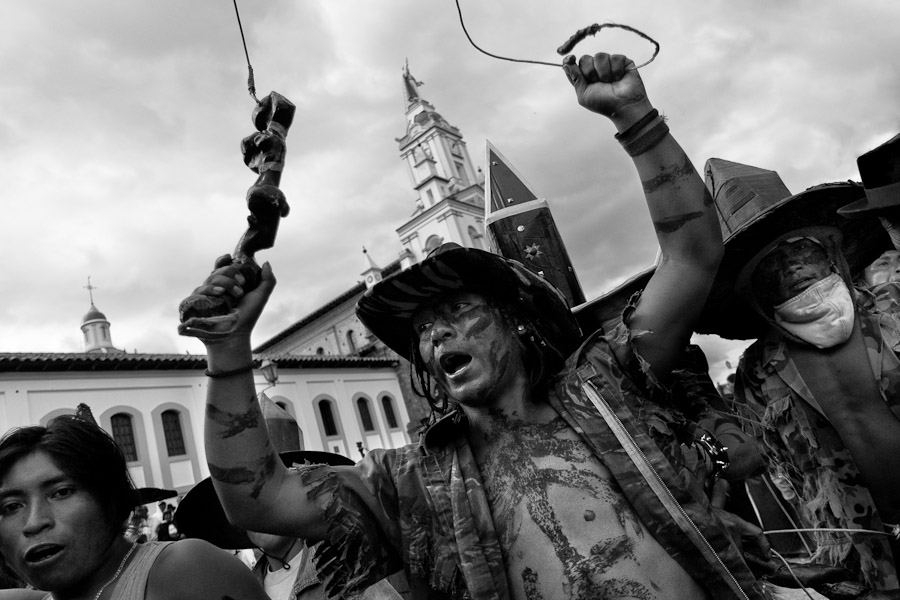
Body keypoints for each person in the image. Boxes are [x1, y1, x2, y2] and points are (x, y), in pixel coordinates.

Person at [181, 52, 771, 599]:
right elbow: (258, 501)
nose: (437, 334)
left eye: (458, 313)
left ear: (514, 323)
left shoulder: (610, 385)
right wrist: (228, 351)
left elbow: (691, 255)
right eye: (424, 331)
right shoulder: (411, 482)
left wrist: (637, 120)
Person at [694, 157, 900, 591]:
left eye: (800, 251)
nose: (791, 269)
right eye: (771, 266)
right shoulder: (756, 375)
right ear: (755, 293)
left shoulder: (893, 309)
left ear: (833, 255)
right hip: (864, 560)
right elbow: (764, 467)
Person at [0, 413, 271, 600]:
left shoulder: (185, 570)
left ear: (112, 500)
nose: (34, 522)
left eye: (61, 492)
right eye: (11, 507)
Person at [175, 451, 405, 600]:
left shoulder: (345, 570)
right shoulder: (242, 587)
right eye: (248, 506)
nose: (258, 515)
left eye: (267, 501)